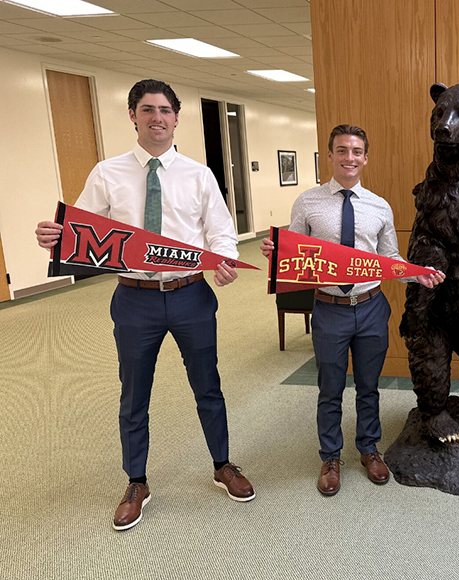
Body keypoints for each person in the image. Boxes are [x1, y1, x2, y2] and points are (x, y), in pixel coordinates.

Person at [35, 79, 254, 531]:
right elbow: (83, 234)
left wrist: (225, 259)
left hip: (191, 293)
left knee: (207, 386)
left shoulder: (198, 174)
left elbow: (220, 230)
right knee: (134, 394)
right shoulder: (106, 173)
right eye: (147, 109)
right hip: (134, 300)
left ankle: (223, 464)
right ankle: (136, 481)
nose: (157, 117)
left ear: (176, 118)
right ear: (133, 116)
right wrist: (54, 240)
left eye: (165, 110)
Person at [261, 125, 444, 496]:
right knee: (329, 388)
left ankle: (369, 448)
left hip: (371, 306)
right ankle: (330, 456)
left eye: (356, 151)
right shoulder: (308, 203)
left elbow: (389, 258)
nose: (349, 158)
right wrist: (277, 253)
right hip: (329, 309)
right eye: (341, 150)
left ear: (365, 157)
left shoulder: (379, 206)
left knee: (368, 386)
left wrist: (416, 274)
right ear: (330, 156)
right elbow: (295, 252)